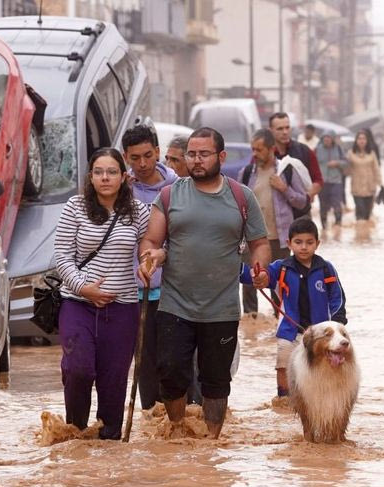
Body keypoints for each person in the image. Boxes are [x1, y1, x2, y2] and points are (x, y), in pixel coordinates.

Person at [138, 127, 271, 439]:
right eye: (192, 154)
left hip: (221, 309)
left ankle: (211, 441)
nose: (196, 160)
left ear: (221, 157)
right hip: (175, 305)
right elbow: (151, 240)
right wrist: (150, 257)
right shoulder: (170, 195)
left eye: (204, 154)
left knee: (216, 381)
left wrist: (260, 267)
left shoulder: (241, 197)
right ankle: (177, 430)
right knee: (170, 374)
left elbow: (260, 243)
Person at [54, 148, 150, 440]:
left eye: (111, 172)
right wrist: (84, 288)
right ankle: (76, 434)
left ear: (123, 177)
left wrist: (148, 262)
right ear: (90, 176)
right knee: (79, 369)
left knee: (114, 380)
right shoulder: (75, 207)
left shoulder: (138, 211)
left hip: (122, 309)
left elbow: (151, 246)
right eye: (98, 172)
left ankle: (109, 444)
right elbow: (61, 256)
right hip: (77, 303)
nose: (105, 178)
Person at [239, 216, 346, 403]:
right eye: (298, 242)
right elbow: (260, 276)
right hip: (290, 331)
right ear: (289, 243)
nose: (303, 247)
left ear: (317, 244)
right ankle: (284, 400)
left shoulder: (327, 269)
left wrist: (337, 324)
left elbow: (337, 299)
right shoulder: (281, 268)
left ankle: (320, 401)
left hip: (320, 335)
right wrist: (247, 272)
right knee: (283, 365)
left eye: (309, 242)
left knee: (323, 367)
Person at [122, 125, 178, 410]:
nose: (142, 164)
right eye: (135, 158)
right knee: (144, 364)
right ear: (126, 157)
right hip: (134, 292)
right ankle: (151, 421)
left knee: (175, 361)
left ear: (158, 152)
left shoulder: (178, 188)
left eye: (147, 155)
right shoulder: (121, 191)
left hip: (174, 292)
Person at [239, 128, 308, 315]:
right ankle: (251, 324)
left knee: (280, 284)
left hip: (280, 238)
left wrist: (284, 188)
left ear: (271, 149)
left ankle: (281, 322)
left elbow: (303, 201)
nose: (254, 154)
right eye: (252, 149)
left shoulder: (286, 171)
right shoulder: (246, 173)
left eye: (259, 149)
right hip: (253, 239)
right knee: (249, 284)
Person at [268, 112, 324, 201]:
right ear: (271, 130)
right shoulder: (265, 154)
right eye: (280, 129)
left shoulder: (304, 151)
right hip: (274, 209)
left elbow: (318, 180)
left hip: (300, 212)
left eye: (287, 127)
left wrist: (306, 198)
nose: (285, 132)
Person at [346, 130, 382, 238]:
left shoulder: (371, 153)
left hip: (370, 188)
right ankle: (359, 238)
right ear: (356, 141)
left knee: (367, 215)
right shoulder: (350, 154)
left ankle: (366, 238)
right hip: (356, 188)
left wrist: (381, 185)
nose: (361, 141)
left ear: (367, 141)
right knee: (360, 212)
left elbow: (376, 169)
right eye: (359, 139)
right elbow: (346, 170)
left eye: (364, 139)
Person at [314, 132, 347, 235]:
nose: (326, 139)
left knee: (337, 204)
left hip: (336, 181)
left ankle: (338, 227)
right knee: (323, 206)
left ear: (332, 139)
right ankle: (324, 229)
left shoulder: (338, 149)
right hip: (322, 182)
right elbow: (312, 163)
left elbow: (346, 162)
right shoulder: (317, 149)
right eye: (325, 137)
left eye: (329, 137)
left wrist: (337, 163)